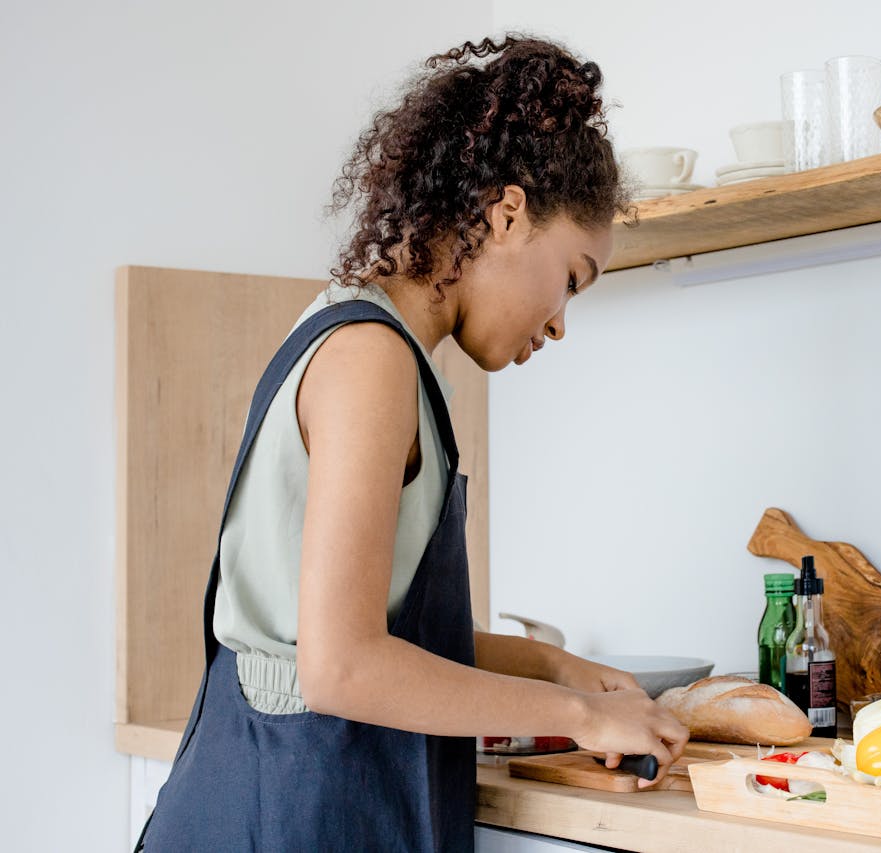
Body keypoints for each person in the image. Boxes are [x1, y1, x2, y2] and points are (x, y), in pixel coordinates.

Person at [137, 34, 688, 851]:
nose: (562, 322)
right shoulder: (371, 360)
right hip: (285, 813)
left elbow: (375, 632)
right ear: (507, 214)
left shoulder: (370, 338)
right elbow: (342, 666)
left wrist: (557, 670)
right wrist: (578, 714)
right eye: (571, 278)